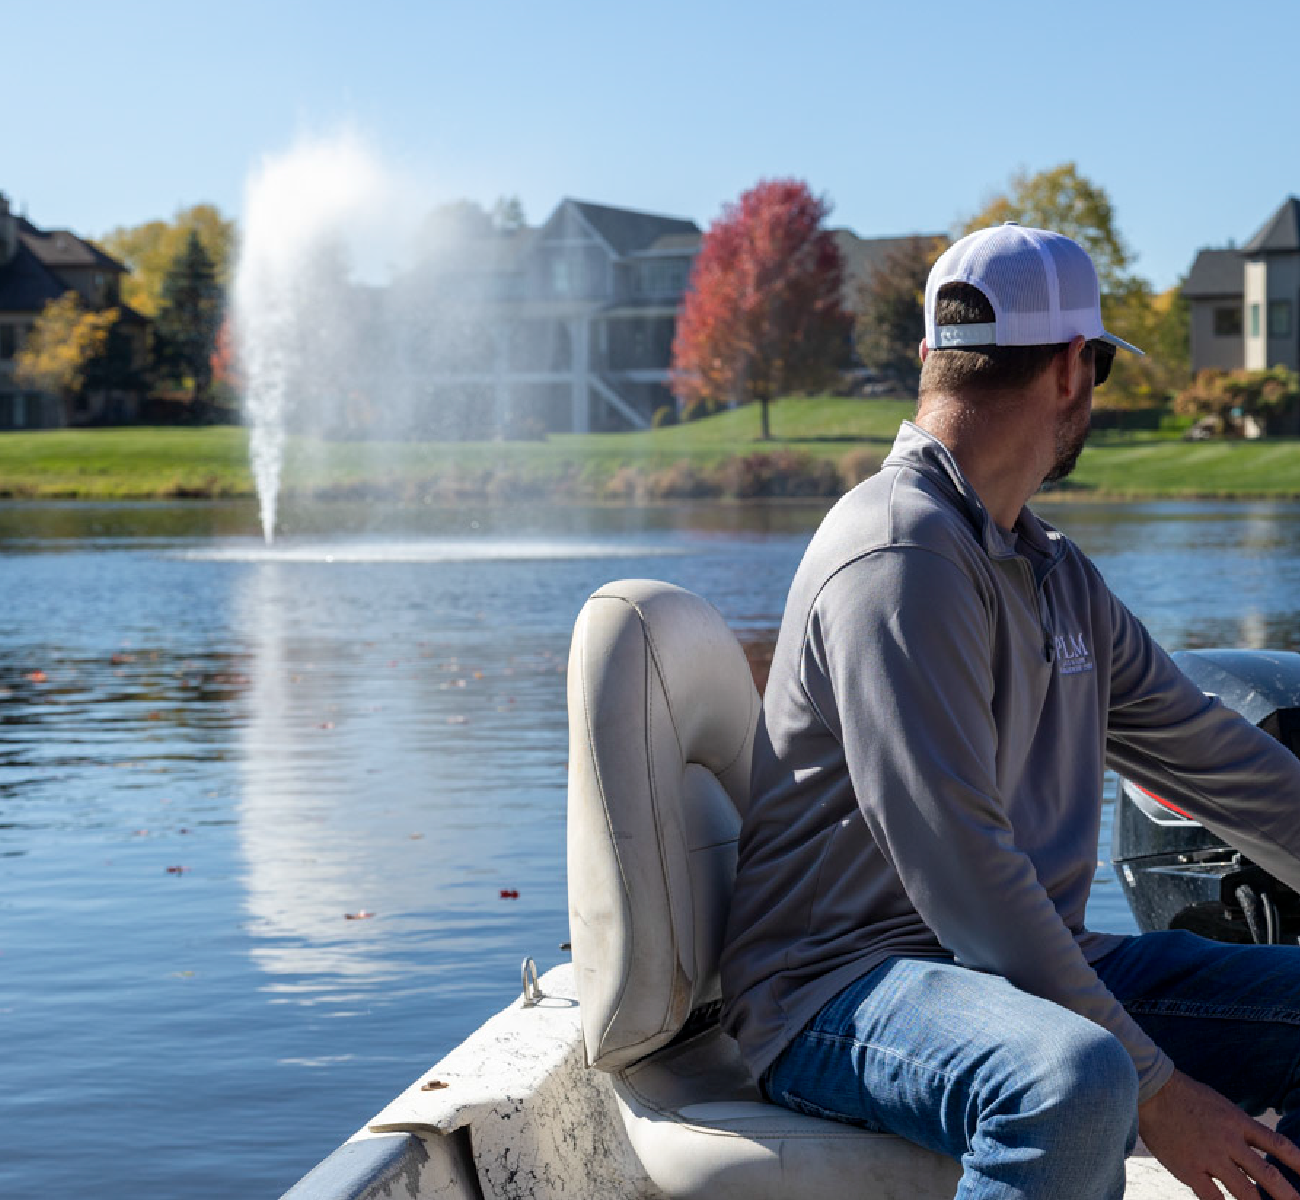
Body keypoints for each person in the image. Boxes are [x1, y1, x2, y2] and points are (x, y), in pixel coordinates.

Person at [719, 223, 1300, 1200]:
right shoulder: (894, 559)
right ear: (1075, 371)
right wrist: (1160, 1091)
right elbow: (966, 882)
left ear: (928, 363)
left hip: (1015, 968)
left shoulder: (1054, 576)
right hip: (834, 987)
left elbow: (1225, 765)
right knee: (1071, 1080)